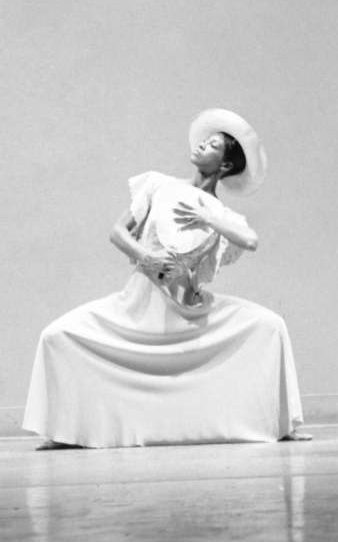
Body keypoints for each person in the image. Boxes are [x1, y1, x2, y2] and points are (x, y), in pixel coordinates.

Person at [23, 109, 309, 449]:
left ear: (226, 165)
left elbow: (251, 240)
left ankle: (280, 424)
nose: (202, 145)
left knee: (270, 325)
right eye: (205, 140)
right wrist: (145, 255)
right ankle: (65, 431)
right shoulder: (160, 185)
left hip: (188, 313)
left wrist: (208, 216)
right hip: (139, 305)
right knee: (57, 335)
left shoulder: (223, 213)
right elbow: (117, 232)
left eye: (213, 145)